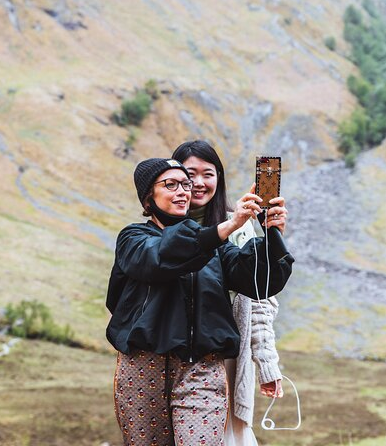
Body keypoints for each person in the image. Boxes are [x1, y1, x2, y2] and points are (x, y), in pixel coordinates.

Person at [107, 157, 293, 446]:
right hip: (144, 368)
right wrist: (228, 226)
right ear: (148, 197)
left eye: (186, 184)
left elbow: (257, 281)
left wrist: (271, 233)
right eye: (171, 184)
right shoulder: (133, 238)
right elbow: (160, 258)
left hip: (202, 371)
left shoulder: (215, 248)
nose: (183, 191)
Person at [172, 141, 286, 446]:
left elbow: (259, 299)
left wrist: (266, 362)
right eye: (188, 173)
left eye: (207, 174)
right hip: (169, 355)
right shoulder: (157, 228)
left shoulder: (239, 226)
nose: (198, 183)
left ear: (219, 179)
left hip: (225, 357)